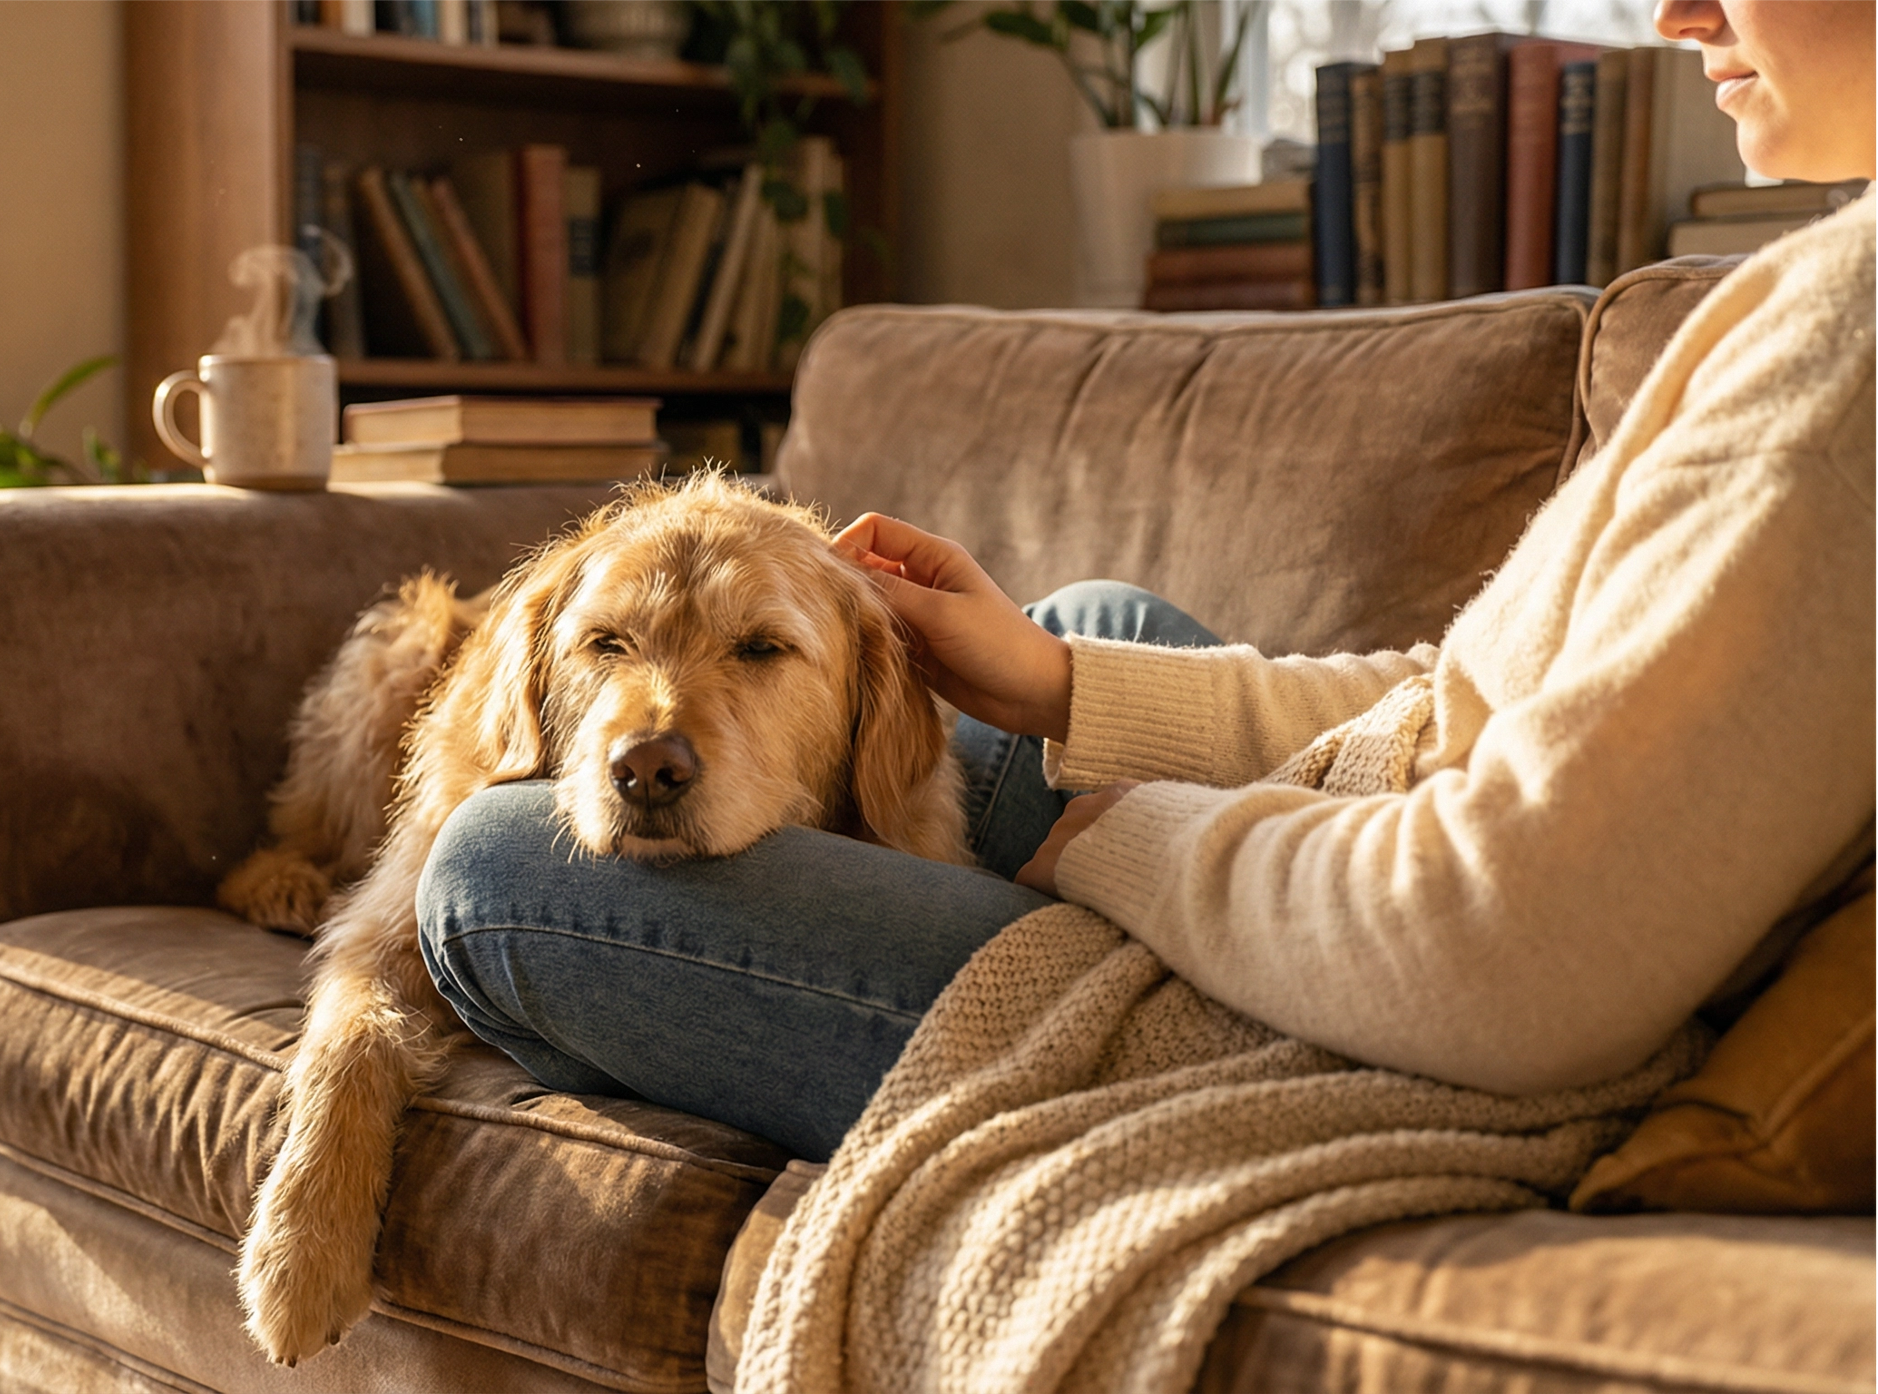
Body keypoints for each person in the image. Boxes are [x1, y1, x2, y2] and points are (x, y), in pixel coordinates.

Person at [415, 0, 1876, 1164]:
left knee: (491, 872)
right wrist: (1063, 691)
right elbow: (1486, 702)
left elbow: (1513, 954)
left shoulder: (1846, 346)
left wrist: (1130, 846)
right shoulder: (1816, 305)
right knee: (1086, 622)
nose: (1679, 11)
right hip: (1400, 864)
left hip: (1384, 1032)